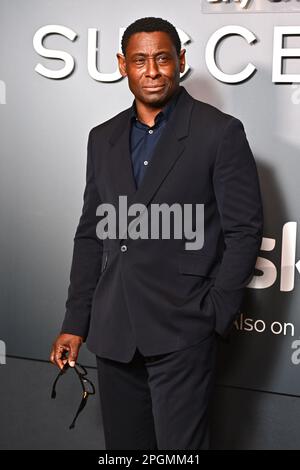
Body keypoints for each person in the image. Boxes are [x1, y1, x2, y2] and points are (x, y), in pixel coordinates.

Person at [50, 17, 264, 450]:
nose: (152, 70)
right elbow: (92, 235)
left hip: (183, 330)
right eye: (140, 60)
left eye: (163, 58)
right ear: (122, 65)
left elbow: (244, 231)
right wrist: (76, 322)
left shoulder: (219, 133)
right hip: (113, 332)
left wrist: (215, 314)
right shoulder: (102, 138)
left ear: (180, 62)